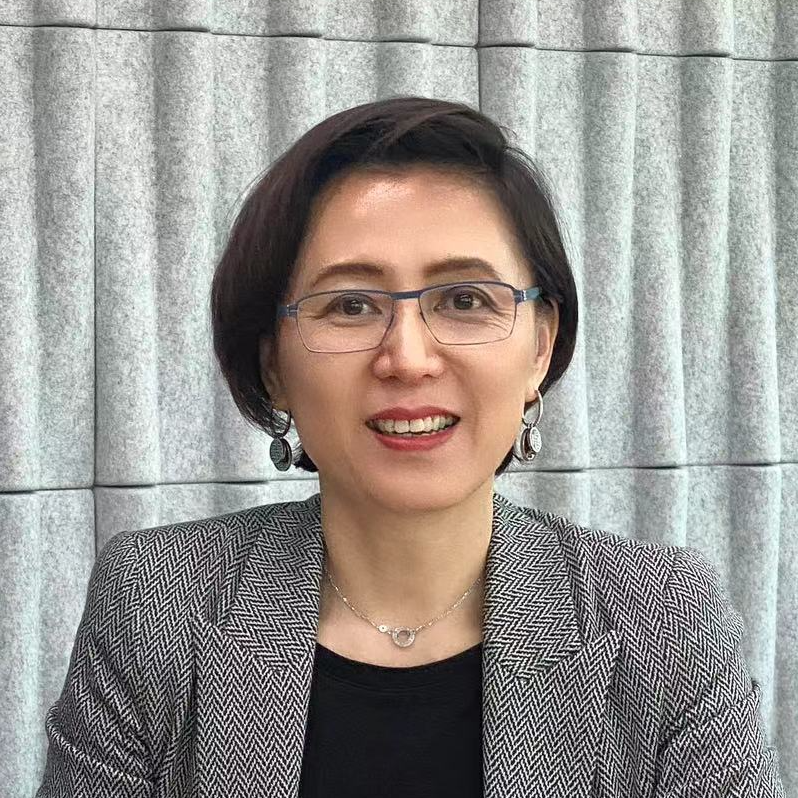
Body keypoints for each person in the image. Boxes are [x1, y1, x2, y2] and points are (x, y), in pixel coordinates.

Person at [36, 96, 785, 797]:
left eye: (465, 299)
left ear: (539, 346)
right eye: (350, 305)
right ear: (274, 367)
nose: (409, 358)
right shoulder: (153, 605)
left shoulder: (665, 621)